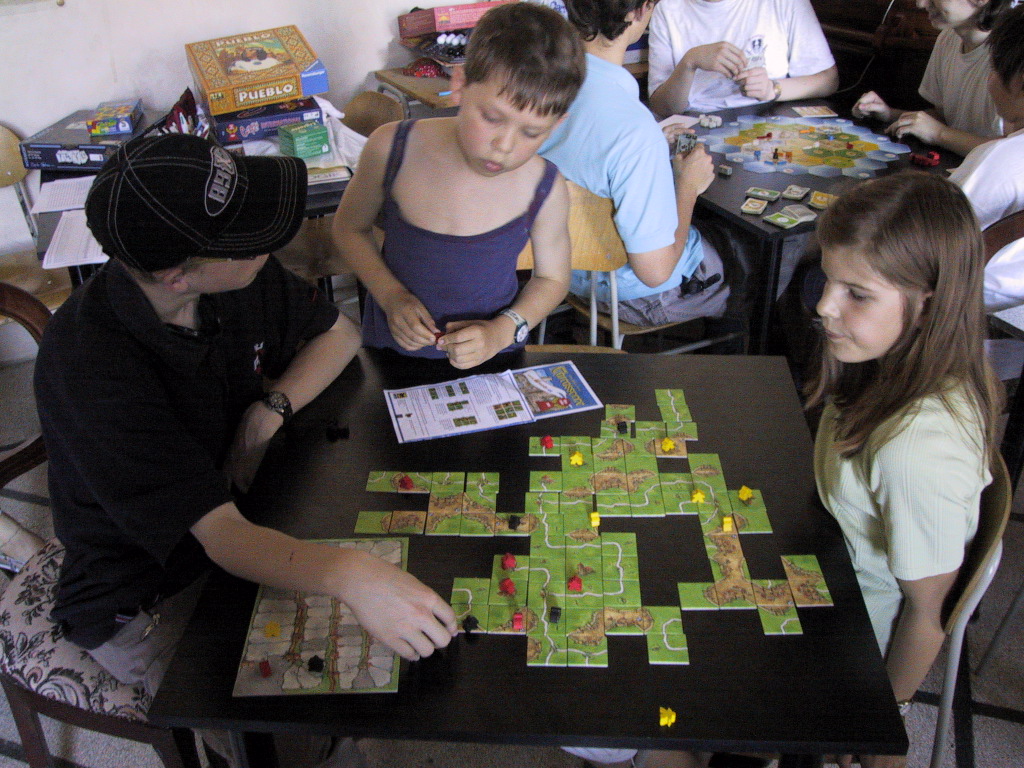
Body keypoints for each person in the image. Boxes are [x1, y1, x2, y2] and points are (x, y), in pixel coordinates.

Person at [34, 133, 458, 762]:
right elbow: (222, 538)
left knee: (392, 637)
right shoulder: (90, 366)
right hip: (149, 590)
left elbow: (338, 334)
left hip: (250, 510)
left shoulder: (232, 278)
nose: (270, 243)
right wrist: (349, 574)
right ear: (179, 275)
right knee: (298, 737)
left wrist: (266, 414)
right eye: (248, 238)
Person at [806, 171, 1002, 768]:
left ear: (927, 307)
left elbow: (926, 613)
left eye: (856, 293)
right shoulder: (889, 356)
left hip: (845, 642)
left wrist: (880, 727)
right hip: (823, 559)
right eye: (828, 280)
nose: (824, 305)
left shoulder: (916, 449)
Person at [332, 3, 583, 370]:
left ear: (557, 125)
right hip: (391, 355)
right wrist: (391, 295)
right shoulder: (391, 147)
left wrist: (502, 331)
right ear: (460, 85)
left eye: (532, 132)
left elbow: (552, 278)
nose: (505, 145)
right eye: (492, 118)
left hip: (493, 360)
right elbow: (349, 228)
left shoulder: (545, 187)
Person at [539, 0, 731, 332]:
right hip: (632, 297)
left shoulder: (539, 83)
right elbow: (655, 272)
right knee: (743, 254)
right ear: (641, 11)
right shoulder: (635, 131)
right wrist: (687, 187)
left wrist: (650, 142)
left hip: (555, 271)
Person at [852, 0, 1012, 157]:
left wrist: (939, 134)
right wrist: (890, 114)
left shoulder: (1011, 53)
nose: (921, 3)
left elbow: (1011, 152)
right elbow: (944, 117)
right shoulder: (947, 38)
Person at [947, 3, 1024, 311]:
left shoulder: (1000, 158)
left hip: (970, 308)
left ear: (1019, 82)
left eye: (993, 69)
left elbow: (929, 243)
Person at [647, 0, 838, 117]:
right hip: (696, 121)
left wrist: (772, 89)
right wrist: (689, 62)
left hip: (771, 118)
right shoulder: (667, 9)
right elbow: (662, 108)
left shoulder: (785, 3)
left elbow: (828, 81)